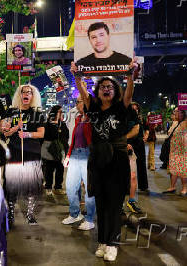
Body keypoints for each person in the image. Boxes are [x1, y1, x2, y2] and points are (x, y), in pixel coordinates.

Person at [72, 57, 137, 262]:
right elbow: (82, 90)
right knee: (100, 203)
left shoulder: (121, 107)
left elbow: (129, 93)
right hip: (97, 160)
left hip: (117, 160)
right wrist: (76, 75)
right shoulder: (91, 107)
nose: (106, 89)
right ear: (98, 91)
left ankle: (113, 244)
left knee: (114, 205)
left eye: (110, 86)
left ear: (114, 90)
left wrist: (129, 74)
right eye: (103, 87)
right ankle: (102, 241)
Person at [0, 84, 44, 226]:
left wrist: (27, 134)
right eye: (23, 92)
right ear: (19, 95)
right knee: (12, 185)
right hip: (14, 152)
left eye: (29, 92)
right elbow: (5, 132)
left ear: (32, 96)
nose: (26, 94)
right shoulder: (10, 112)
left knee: (32, 185)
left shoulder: (37, 113)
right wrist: (15, 128)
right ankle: (11, 213)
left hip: (32, 153)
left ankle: (30, 214)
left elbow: (41, 133)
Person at [62, 95, 96, 230]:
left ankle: (89, 219)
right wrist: (68, 155)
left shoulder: (93, 118)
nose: (77, 104)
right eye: (76, 102)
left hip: (88, 155)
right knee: (70, 187)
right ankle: (75, 214)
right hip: (75, 154)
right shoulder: (77, 118)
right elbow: (74, 138)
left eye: (79, 102)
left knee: (89, 190)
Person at [40, 105, 69, 195]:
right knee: (49, 169)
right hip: (49, 150)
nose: (61, 114)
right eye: (59, 112)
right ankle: (48, 186)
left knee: (60, 169)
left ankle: (58, 187)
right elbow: (43, 137)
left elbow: (66, 136)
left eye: (62, 112)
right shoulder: (47, 124)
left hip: (60, 151)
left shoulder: (63, 124)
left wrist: (63, 146)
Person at [162, 108, 187, 195]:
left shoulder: (185, 122)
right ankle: (172, 186)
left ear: (183, 113)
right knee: (174, 168)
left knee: (183, 169)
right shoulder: (175, 122)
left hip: (182, 150)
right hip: (174, 150)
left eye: (176, 111)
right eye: (174, 111)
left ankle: (184, 188)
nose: (174, 113)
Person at [125, 105, 143, 214]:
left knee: (133, 176)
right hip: (118, 150)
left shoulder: (135, 119)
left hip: (132, 151)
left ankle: (131, 201)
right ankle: (119, 204)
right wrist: (123, 143)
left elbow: (138, 133)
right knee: (119, 179)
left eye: (136, 109)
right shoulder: (116, 112)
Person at [130, 102, 149, 192]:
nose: (134, 110)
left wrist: (146, 135)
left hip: (139, 143)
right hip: (129, 143)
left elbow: (147, 128)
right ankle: (127, 187)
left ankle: (143, 186)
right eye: (132, 108)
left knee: (141, 164)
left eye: (136, 109)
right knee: (128, 166)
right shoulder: (127, 118)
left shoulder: (141, 118)